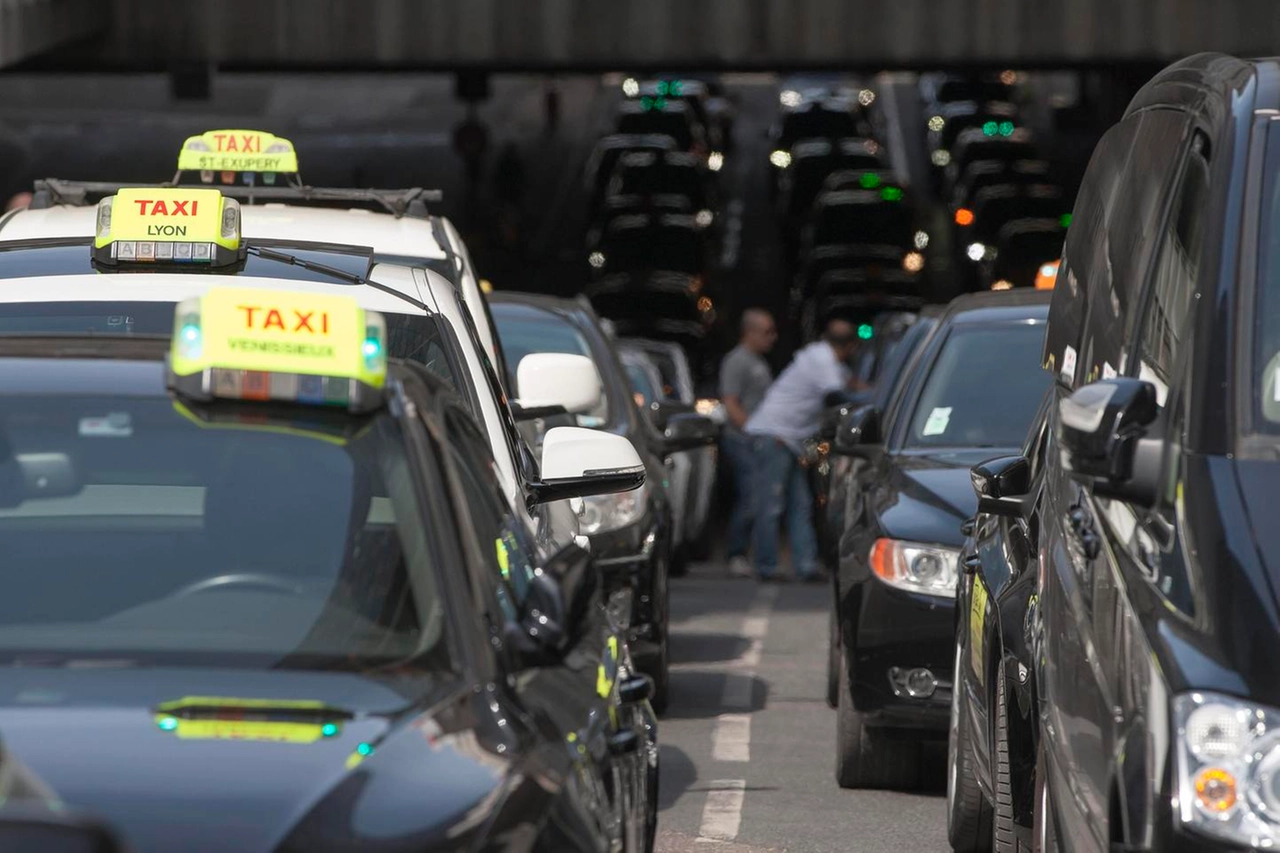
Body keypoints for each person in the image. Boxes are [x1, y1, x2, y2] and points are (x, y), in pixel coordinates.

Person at [745, 318, 861, 582]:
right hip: (775, 435)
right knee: (773, 504)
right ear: (849, 346)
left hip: (789, 439)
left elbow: (850, 385)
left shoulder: (821, 358)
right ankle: (766, 565)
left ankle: (805, 564)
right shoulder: (823, 360)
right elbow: (837, 397)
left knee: (801, 504)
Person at [718, 308, 777, 578]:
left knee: (759, 496)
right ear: (750, 331)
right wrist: (751, 430)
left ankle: (749, 552)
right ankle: (736, 552)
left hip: (757, 440)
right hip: (741, 440)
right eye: (767, 332)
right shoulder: (737, 361)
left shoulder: (759, 362)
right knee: (751, 496)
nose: (772, 338)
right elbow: (730, 401)